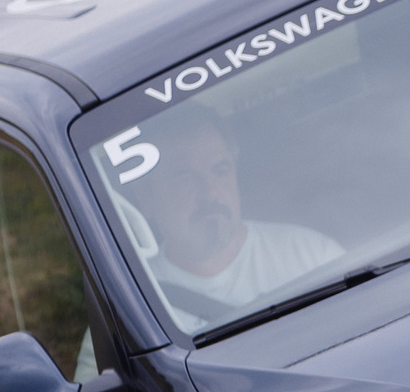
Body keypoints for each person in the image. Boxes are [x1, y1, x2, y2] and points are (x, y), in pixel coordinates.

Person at [121, 105, 340, 320]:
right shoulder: (132, 303)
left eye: (220, 170)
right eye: (184, 179)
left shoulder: (312, 258)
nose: (210, 193)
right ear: (146, 199)